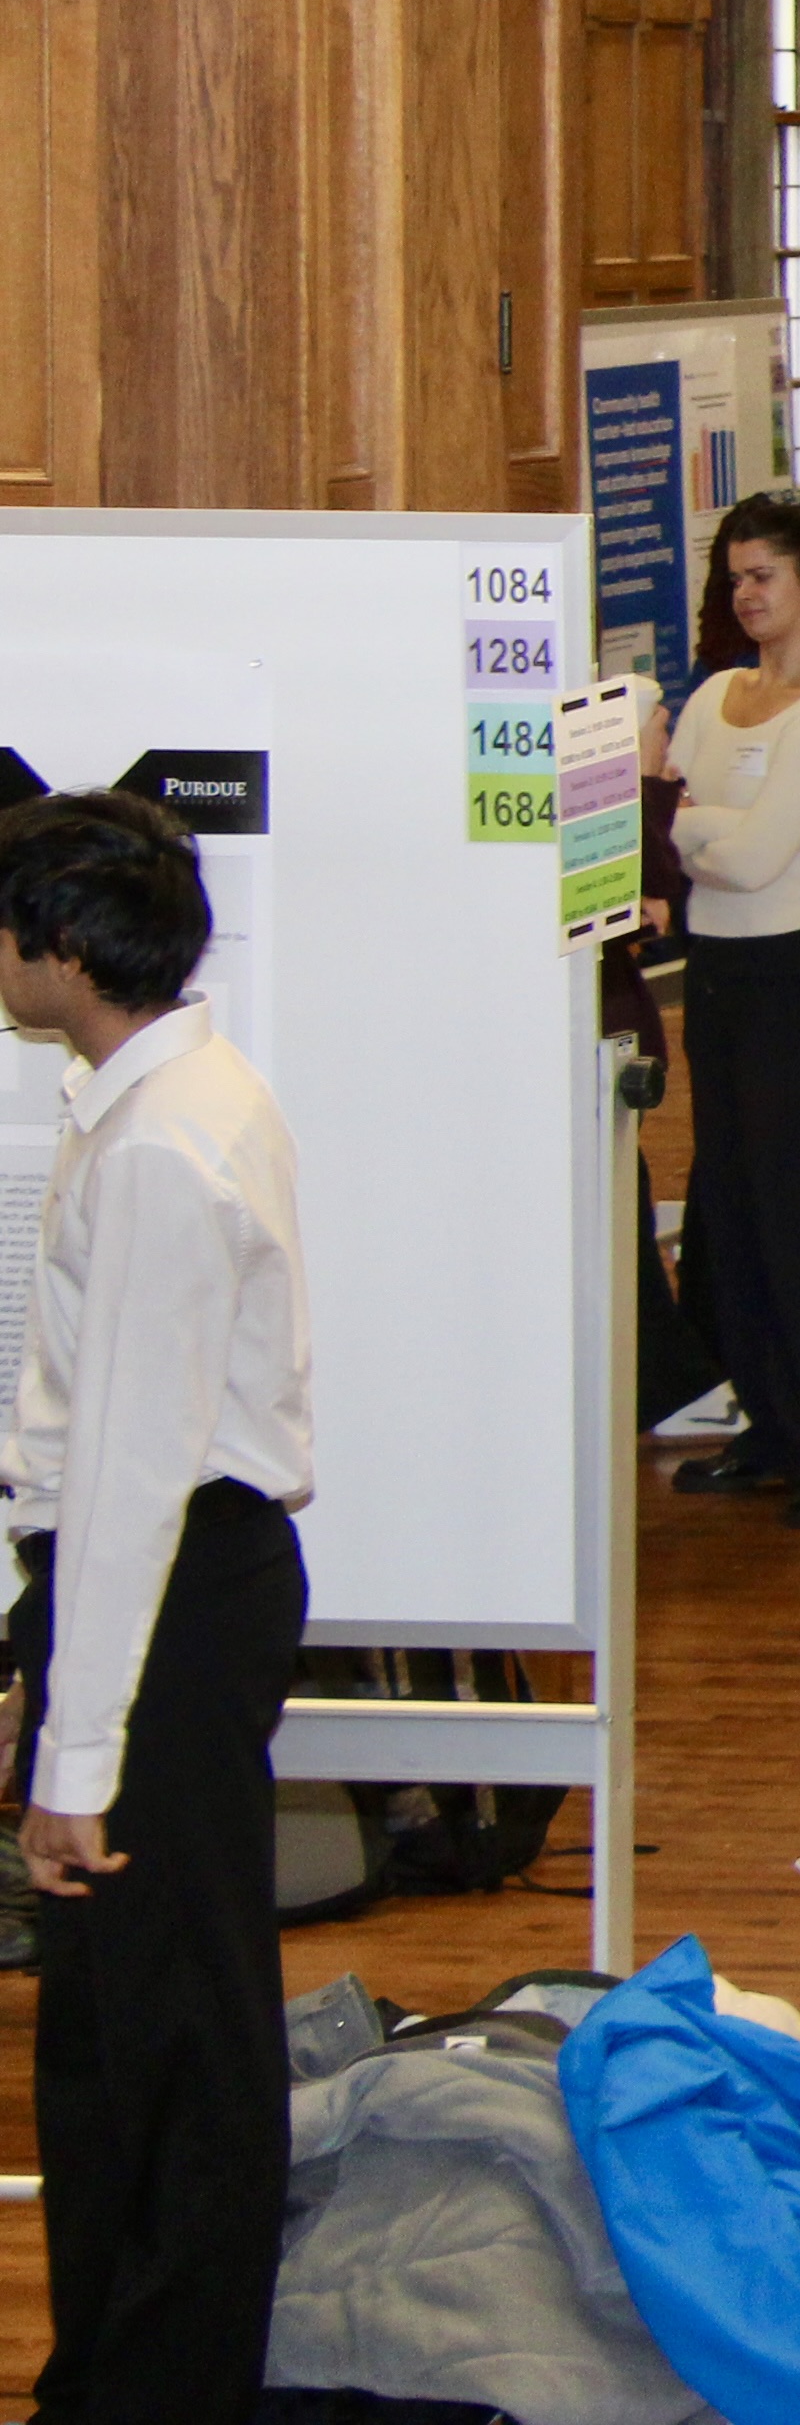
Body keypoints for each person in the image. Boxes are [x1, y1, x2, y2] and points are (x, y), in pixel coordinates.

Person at [0, 796, 311, 2422]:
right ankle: (111, 2372)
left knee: (180, 2033)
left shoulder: (173, 1142)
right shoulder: (145, 1099)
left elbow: (130, 1471)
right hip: (146, 1586)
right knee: (111, 2030)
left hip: (174, 1587)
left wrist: (76, 1754)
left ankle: (172, 2388)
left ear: (62, 949)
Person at [665, 493, 800, 1531]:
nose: (747, 594)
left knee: (788, 1206)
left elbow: (751, 860)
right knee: (729, 1204)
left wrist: (692, 826)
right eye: (735, 576)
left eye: (765, 575)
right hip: (716, 971)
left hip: (797, 974)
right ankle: (769, 1427)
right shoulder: (712, 696)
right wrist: (708, 830)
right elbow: (674, 831)